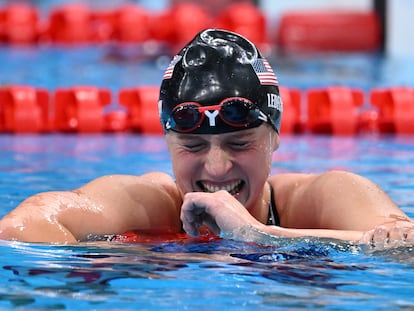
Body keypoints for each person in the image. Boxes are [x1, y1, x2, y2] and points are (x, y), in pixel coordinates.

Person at [0, 29, 413, 247]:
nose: (216, 168)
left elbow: (406, 247)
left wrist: (257, 234)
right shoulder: (148, 208)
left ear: (275, 136)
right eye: (193, 147)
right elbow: (22, 228)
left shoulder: (322, 199)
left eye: (239, 143)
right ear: (167, 145)